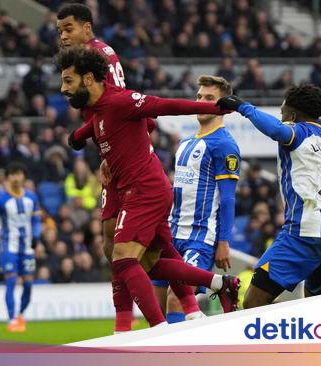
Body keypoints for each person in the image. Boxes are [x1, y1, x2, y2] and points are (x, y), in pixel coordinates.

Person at [56, 46, 240, 328]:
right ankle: (220, 283)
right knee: (153, 262)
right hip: (142, 191)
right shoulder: (98, 109)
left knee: (123, 259)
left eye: (68, 81)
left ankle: (157, 329)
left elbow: (165, 107)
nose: (62, 88)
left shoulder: (121, 101)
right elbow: (106, 125)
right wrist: (78, 137)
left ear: (89, 79)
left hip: (144, 191)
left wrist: (217, 107)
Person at [57, 3, 167, 329]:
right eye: (60, 30)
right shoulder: (84, 58)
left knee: (121, 246)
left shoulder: (100, 56)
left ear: (87, 28)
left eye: (69, 28)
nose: (63, 36)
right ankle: (132, 324)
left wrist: (117, 144)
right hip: (112, 152)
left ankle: (153, 320)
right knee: (128, 246)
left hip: (124, 157)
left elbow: (119, 100)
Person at [216, 84, 321, 308]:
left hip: (302, 232)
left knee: (252, 303)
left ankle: (282, 333)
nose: (281, 118)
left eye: (282, 113)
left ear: (292, 114)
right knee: (315, 309)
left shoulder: (299, 132)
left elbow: (277, 131)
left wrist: (244, 107)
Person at [153, 75, 240, 324]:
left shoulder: (224, 144)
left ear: (224, 107)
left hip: (201, 237)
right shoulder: (186, 142)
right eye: (199, 96)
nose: (201, 102)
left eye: (209, 98)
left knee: (176, 298)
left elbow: (227, 198)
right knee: (156, 306)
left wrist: (224, 241)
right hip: (170, 234)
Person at [0, 162, 41, 332]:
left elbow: (35, 220)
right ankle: (12, 319)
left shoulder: (31, 198)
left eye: (18, 173)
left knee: (28, 285)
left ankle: (20, 315)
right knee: (10, 281)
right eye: (12, 174)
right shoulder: (1, 199)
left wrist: (36, 236)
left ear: (23, 176)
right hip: (8, 248)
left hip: (27, 248)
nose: (15, 177)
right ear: (7, 178)